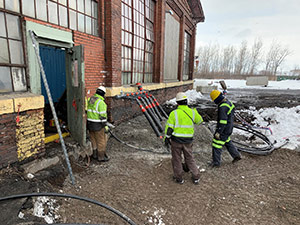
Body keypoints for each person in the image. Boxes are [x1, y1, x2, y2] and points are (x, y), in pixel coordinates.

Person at [164, 92, 203, 185]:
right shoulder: (192, 112)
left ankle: (179, 178)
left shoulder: (174, 113)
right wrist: (195, 112)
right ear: (187, 102)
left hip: (176, 140)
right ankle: (196, 176)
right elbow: (199, 121)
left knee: (176, 159)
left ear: (177, 103)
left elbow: (170, 128)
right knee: (189, 158)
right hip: (188, 140)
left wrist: (167, 137)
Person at [209, 90, 241, 167]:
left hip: (224, 129)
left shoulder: (223, 106)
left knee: (216, 144)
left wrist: (218, 132)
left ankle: (216, 163)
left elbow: (223, 121)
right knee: (227, 141)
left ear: (216, 99)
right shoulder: (228, 102)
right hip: (229, 128)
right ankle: (236, 155)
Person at [87, 86, 110, 162]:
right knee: (101, 141)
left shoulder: (90, 99)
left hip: (90, 124)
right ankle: (101, 157)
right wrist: (105, 126)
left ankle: (94, 155)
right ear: (103, 94)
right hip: (98, 125)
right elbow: (103, 117)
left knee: (93, 140)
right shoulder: (101, 103)